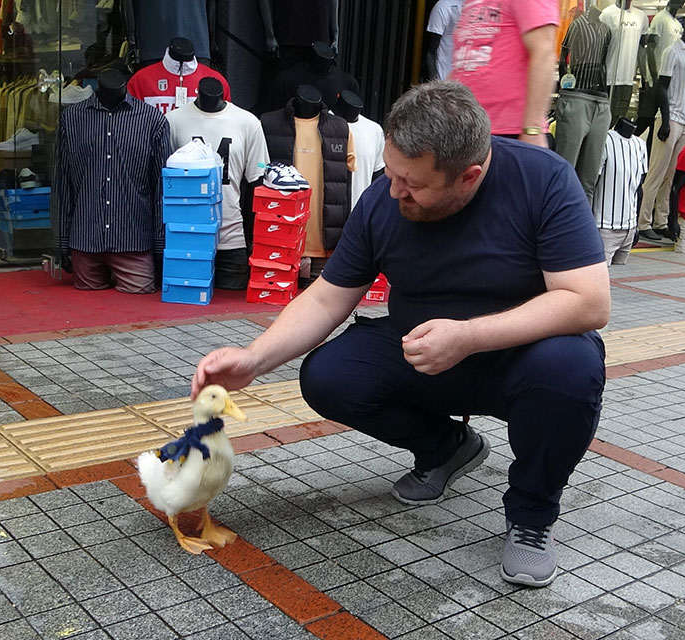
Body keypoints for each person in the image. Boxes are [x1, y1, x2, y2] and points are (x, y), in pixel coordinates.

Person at [191, 81, 609, 588]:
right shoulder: (383, 199)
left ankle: (532, 513)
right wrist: (253, 360)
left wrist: (469, 336)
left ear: (469, 176)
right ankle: (446, 448)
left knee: (572, 368)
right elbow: (326, 298)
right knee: (329, 375)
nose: (395, 192)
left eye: (412, 184)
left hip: (521, 360)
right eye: (390, 173)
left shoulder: (543, 180)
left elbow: (588, 301)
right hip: (424, 354)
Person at [451, 0, 559, 146]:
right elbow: (462, 63)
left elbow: (543, 52)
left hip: (508, 133)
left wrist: (532, 130)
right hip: (466, 127)